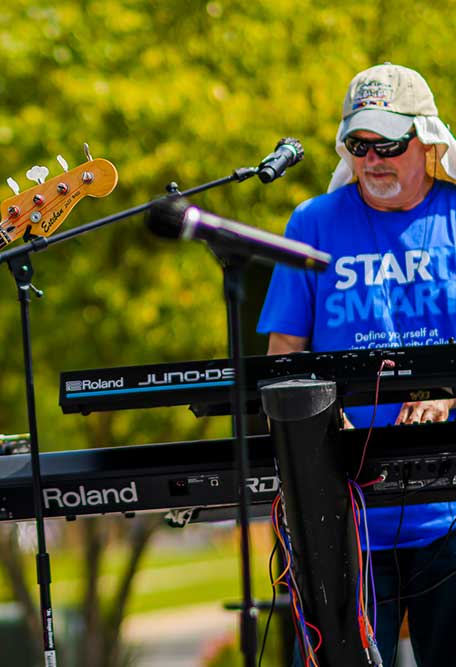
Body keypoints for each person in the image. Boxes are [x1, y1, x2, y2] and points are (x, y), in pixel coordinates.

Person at [258, 63, 456, 665]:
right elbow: (284, 356)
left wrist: (447, 392)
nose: (373, 159)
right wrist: (316, 426)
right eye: (358, 145)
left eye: (388, 144)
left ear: (426, 140)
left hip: (450, 515)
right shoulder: (311, 223)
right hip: (345, 514)